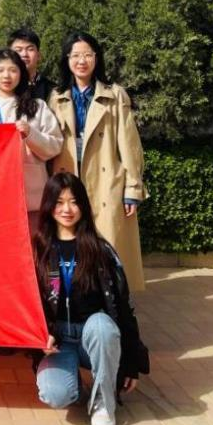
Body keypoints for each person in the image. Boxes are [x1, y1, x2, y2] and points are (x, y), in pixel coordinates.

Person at [33, 173, 145, 425]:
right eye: (59, 202)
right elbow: (26, 303)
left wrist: (132, 363)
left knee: (102, 326)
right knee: (55, 394)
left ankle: (103, 403)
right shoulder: (38, 250)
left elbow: (124, 307)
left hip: (94, 334)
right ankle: (81, 381)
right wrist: (40, 334)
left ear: (83, 205)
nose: (67, 209)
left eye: (74, 202)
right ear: (49, 205)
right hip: (58, 341)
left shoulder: (101, 250)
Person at [48, 32, 147, 291]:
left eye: (88, 55)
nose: (82, 61)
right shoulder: (56, 96)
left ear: (97, 58)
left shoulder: (115, 94)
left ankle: (111, 301)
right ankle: (75, 300)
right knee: (70, 243)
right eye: (75, 55)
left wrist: (132, 188)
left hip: (106, 180)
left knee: (106, 245)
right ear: (67, 59)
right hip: (69, 178)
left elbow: (130, 144)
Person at [0, 49, 63, 221]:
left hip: (32, 198)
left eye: (13, 70)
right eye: (0, 70)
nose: (6, 76)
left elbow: (55, 146)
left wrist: (31, 134)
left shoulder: (37, 107)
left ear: (21, 74)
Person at [8, 28, 56, 102]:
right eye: (18, 50)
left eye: (30, 49)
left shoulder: (52, 90)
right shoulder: (1, 88)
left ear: (39, 55)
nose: (24, 54)